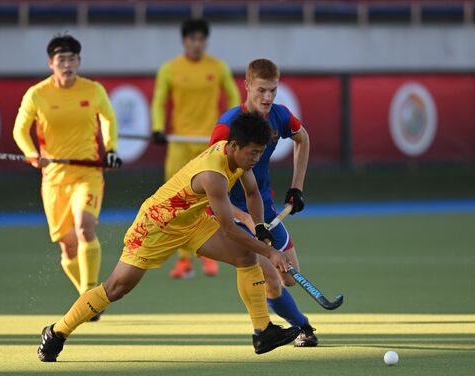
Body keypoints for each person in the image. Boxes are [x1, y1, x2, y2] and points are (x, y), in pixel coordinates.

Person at [37, 112, 302, 362]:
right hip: (156, 226)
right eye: (253, 152)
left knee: (246, 256)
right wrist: (270, 252)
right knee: (117, 288)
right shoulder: (213, 174)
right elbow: (230, 229)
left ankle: (262, 331)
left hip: (192, 221)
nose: (257, 158)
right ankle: (57, 331)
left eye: (261, 152)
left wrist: (259, 227)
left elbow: (253, 194)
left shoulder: (242, 160)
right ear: (233, 146)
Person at [209, 59, 317, 347]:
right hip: (230, 214)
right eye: (261, 91)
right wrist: (245, 220)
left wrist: (297, 187)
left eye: (273, 90)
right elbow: (210, 188)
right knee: (270, 275)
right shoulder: (226, 128)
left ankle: (295, 321)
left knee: (289, 276)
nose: (268, 98)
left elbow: (302, 139)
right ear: (246, 86)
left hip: (265, 210)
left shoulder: (279, 116)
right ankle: (304, 328)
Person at [13, 34, 121, 319]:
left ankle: (89, 294)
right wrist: (32, 154)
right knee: (67, 246)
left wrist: (110, 149)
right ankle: (87, 296)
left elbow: (108, 118)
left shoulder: (93, 90)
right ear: (51, 63)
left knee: (85, 227)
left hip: (88, 172)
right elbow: (20, 130)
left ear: (79, 62)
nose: (67, 64)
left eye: (72, 59)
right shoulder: (37, 94)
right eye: (61, 59)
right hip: (54, 179)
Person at [151, 18, 241, 279]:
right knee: (176, 203)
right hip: (179, 145)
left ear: (206, 42)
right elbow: (158, 102)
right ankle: (183, 260)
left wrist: (230, 126)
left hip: (210, 146)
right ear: (184, 41)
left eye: (201, 39)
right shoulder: (170, 69)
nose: (197, 44)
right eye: (192, 39)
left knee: (211, 200)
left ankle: (207, 255)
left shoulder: (218, 67)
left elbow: (233, 98)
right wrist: (158, 128)